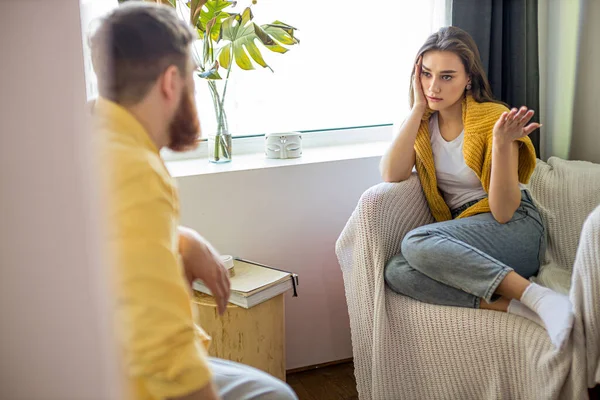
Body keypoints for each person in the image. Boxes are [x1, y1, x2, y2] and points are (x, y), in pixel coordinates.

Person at [91, 3, 298, 399]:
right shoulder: (135, 169)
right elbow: (162, 341)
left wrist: (182, 238)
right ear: (171, 82)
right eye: (192, 79)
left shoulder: (92, 139)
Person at [380, 26, 574, 350]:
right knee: (396, 270)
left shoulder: (493, 119)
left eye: (446, 76)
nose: (433, 86)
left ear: (468, 78)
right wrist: (416, 109)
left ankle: (540, 297)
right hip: (466, 234)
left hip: (516, 229)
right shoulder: (422, 123)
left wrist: (500, 144)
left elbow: (503, 212)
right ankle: (517, 306)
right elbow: (391, 174)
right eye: (426, 74)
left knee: (415, 241)